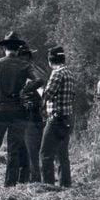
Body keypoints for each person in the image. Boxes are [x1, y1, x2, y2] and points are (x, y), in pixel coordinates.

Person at [0, 31, 44, 187]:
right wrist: (26, 90)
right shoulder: (25, 65)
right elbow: (40, 80)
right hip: (18, 111)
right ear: (18, 49)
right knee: (13, 150)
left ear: (5, 48)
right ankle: (9, 185)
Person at [39, 46, 76, 187]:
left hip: (55, 119)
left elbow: (46, 95)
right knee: (62, 156)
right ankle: (65, 186)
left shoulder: (57, 73)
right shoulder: (69, 74)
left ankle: (48, 187)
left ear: (50, 60)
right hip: (67, 118)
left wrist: (37, 87)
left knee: (45, 154)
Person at [17, 44, 46, 183]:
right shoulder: (29, 71)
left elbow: (42, 89)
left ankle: (34, 180)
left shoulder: (32, 72)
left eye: (25, 57)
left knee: (31, 148)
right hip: (30, 113)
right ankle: (27, 178)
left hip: (32, 113)